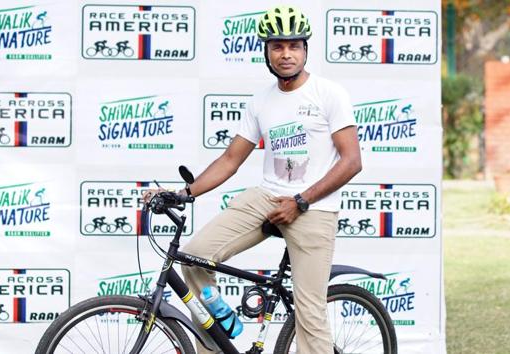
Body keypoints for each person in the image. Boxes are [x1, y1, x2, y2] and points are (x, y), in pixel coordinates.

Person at [145, 5, 361, 353]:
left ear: (306, 49)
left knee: (310, 314)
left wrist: (301, 201)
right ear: (267, 52)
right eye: (278, 46)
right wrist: (183, 192)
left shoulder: (329, 94)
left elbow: (352, 161)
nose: (286, 54)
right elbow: (231, 159)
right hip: (267, 197)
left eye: (294, 46)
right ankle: (221, 324)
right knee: (195, 256)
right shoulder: (262, 100)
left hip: (314, 208)